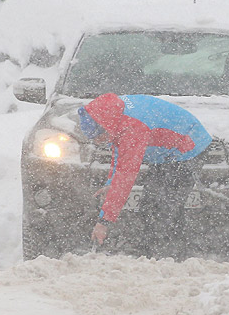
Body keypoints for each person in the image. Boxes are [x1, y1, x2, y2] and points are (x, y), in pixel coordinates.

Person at [78, 93, 212, 255]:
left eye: (98, 137)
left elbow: (125, 176)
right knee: (151, 206)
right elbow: (119, 154)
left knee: (164, 209)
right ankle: (163, 251)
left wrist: (104, 222)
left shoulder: (132, 128)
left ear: (105, 127)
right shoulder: (113, 114)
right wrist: (110, 184)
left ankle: (165, 256)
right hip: (165, 154)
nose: (97, 142)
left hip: (188, 149)